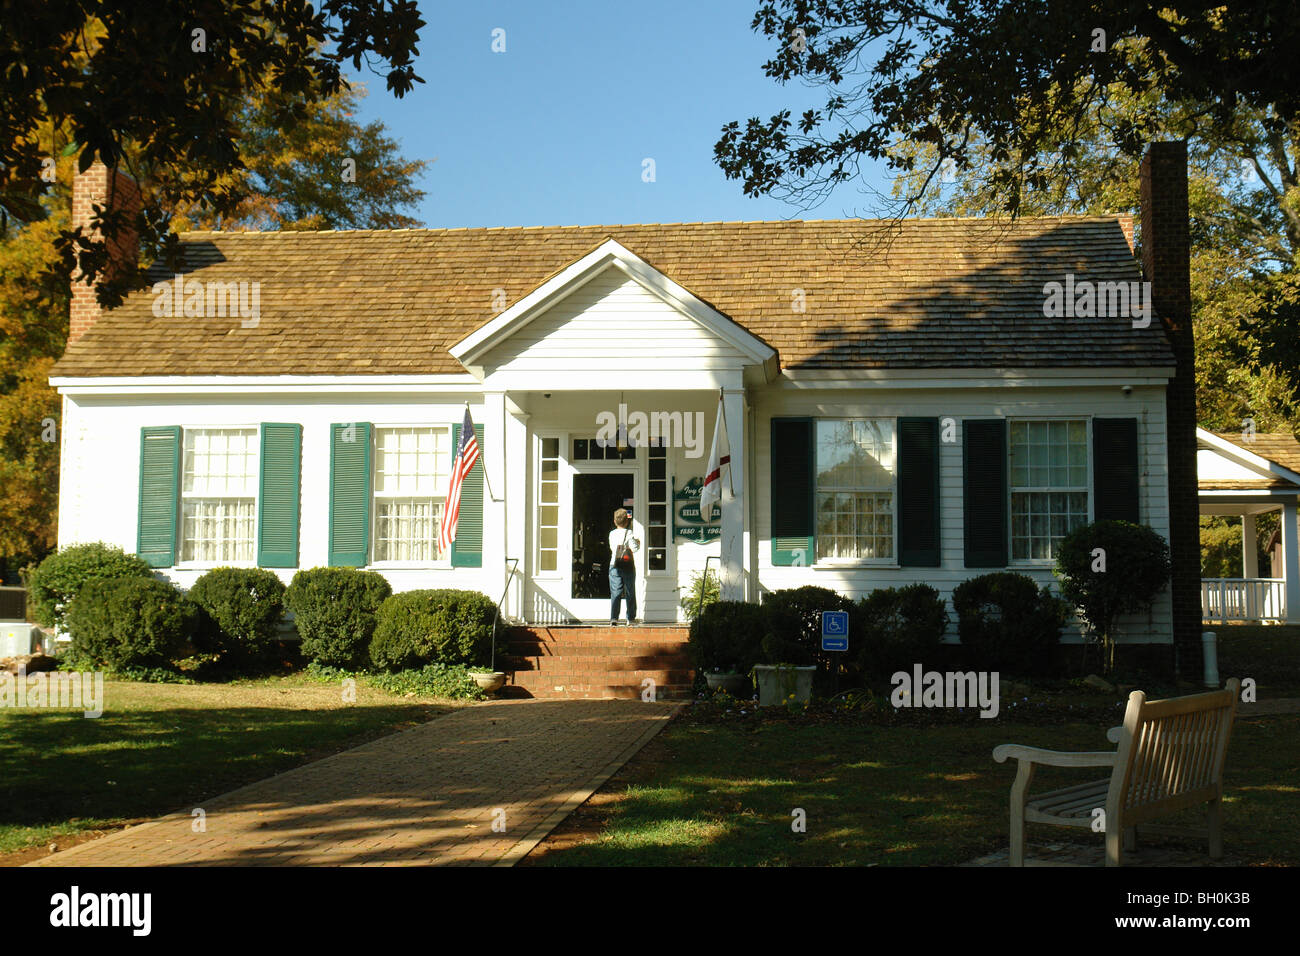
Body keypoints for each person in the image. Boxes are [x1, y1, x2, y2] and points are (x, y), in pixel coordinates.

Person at [608, 508, 640, 625]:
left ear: (615, 521)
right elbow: (635, 548)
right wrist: (638, 542)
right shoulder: (629, 533)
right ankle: (630, 618)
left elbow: (613, 548)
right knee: (630, 591)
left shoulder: (611, 534)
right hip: (627, 565)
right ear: (627, 521)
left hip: (614, 564)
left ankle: (614, 618)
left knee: (615, 592)